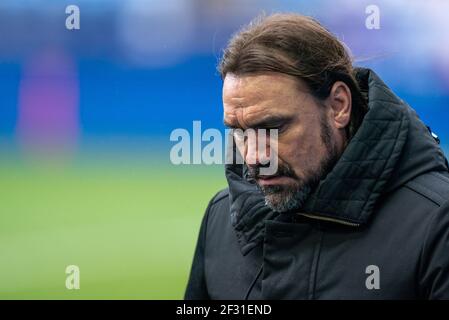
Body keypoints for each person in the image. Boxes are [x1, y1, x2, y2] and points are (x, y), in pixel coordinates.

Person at [184, 13, 449, 299]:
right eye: (240, 132)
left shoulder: (436, 222)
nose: (254, 157)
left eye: (273, 128)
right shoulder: (220, 219)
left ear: (339, 106)